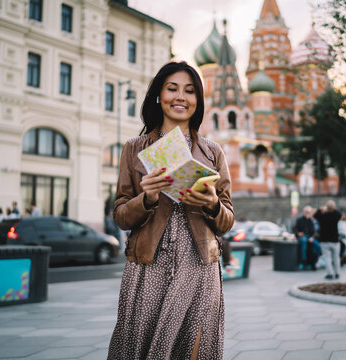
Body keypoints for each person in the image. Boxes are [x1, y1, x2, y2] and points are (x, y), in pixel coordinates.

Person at [107, 61, 234, 360]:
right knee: (143, 348)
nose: (181, 97)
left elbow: (227, 220)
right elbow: (121, 216)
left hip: (199, 264)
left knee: (195, 349)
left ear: (198, 100)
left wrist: (213, 205)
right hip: (148, 265)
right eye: (172, 88)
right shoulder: (134, 148)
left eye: (190, 91)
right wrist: (147, 198)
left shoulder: (212, 151)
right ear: (158, 95)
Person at [314, 200, 342, 280]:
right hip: (335, 240)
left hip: (324, 240)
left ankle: (330, 273)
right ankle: (337, 273)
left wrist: (321, 209)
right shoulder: (336, 215)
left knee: (327, 258)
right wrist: (331, 207)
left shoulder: (323, 216)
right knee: (336, 258)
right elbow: (339, 213)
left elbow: (315, 215)